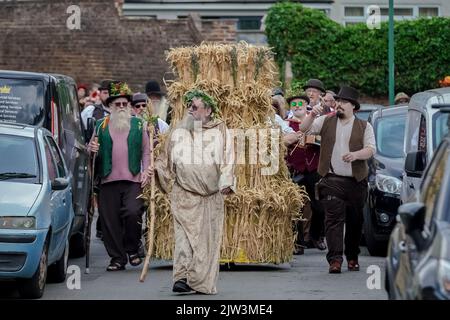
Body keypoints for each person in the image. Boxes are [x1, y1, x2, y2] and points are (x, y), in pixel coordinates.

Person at [150, 89, 235, 294]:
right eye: (189, 106)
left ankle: (199, 282)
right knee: (183, 240)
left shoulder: (220, 130)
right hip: (183, 196)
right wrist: (156, 170)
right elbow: (165, 159)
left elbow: (228, 158)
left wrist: (226, 181)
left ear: (207, 111)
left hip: (209, 198)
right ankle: (182, 278)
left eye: (195, 107)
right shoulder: (179, 130)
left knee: (205, 244)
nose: (190, 110)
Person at [298, 86, 376, 274]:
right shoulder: (326, 120)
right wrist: (311, 114)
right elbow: (303, 128)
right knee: (333, 221)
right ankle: (335, 259)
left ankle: (352, 256)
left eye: (344, 102)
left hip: (356, 181)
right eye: (338, 101)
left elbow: (371, 149)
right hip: (331, 180)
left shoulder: (364, 126)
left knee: (355, 221)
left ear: (353, 107)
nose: (339, 105)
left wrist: (356, 155)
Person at [88, 81, 151, 271]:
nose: (122, 107)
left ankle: (132, 249)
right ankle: (117, 258)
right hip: (108, 180)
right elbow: (90, 149)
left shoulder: (140, 125)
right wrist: (92, 150)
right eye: (118, 104)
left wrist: (147, 171)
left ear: (130, 106)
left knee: (133, 212)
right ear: (110, 106)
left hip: (133, 179)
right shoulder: (101, 125)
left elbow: (146, 152)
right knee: (110, 221)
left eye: (125, 104)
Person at [285, 92, 325, 255]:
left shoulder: (316, 121)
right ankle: (298, 242)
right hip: (295, 170)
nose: (297, 107)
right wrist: (293, 137)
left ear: (306, 105)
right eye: (294, 105)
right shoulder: (287, 124)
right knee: (296, 207)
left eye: (300, 103)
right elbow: (281, 141)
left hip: (314, 171)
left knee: (319, 207)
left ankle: (315, 236)